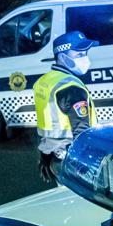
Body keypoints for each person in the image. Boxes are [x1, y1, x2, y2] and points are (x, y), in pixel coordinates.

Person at [33, 30, 99, 183]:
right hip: (69, 156)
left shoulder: (45, 81)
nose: (85, 59)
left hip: (50, 152)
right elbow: (82, 131)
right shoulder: (70, 87)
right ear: (63, 57)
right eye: (79, 55)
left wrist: (46, 155)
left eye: (85, 54)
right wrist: (85, 165)